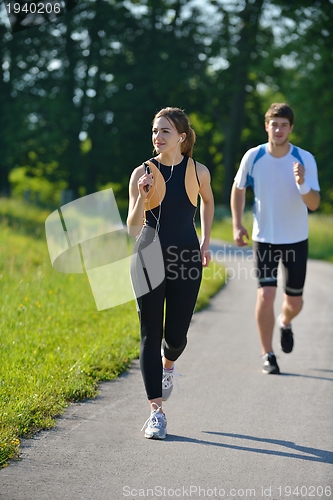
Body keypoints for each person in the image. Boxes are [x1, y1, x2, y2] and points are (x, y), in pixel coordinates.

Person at [127, 107, 214, 438]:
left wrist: (206, 240)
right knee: (150, 332)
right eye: (154, 131)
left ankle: (169, 365)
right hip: (147, 256)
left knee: (175, 337)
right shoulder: (142, 172)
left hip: (186, 257)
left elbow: (207, 202)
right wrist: (141, 196)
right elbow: (133, 228)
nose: (157, 137)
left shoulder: (198, 171)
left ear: (180, 136)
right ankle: (156, 412)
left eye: (164, 131)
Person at [230, 102, 320, 374]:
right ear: (266, 126)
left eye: (284, 125)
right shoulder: (253, 156)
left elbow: (314, 203)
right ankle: (267, 354)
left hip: (295, 239)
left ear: (291, 128)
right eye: (274, 124)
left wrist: (302, 183)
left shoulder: (304, 159)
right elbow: (238, 189)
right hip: (265, 238)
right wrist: (237, 224)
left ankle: (285, 322)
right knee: (266, 295)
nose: (278, 129)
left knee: (294, 303)